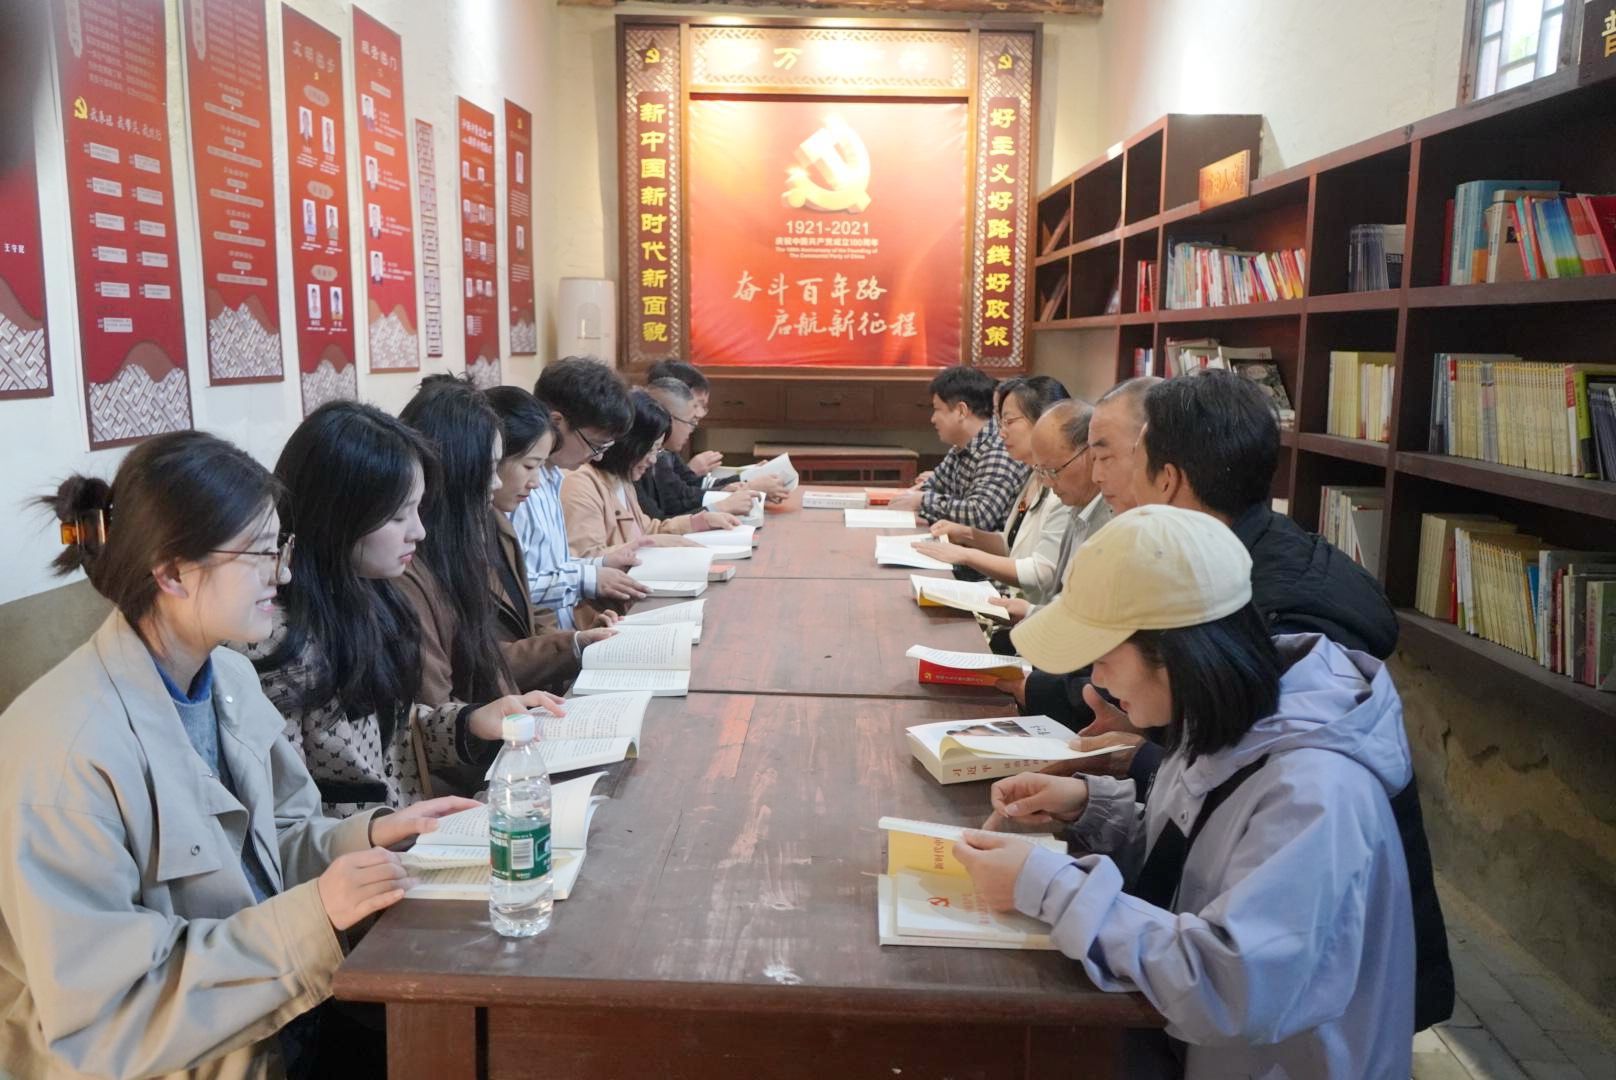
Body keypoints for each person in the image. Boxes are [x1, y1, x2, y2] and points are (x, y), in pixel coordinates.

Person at [0, 431, 476, 1079]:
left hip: (278, 1025)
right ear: (171, 571)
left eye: (281, 548)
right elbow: (110, 1018)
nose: (283, 574)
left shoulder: (229, 679)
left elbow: (274, 847)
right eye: (259, 553)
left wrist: (367, 837)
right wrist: (315, 915)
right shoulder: (65, 752)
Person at [954, 505, 1416, 1079]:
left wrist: (1049, 888)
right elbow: (1192, 858)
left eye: (1104, 657)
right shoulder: (1222, 721)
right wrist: (1092, 807)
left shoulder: (1317, 790)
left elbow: (1233, 986)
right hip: (1183, 1045)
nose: (1097, 681)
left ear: (1175, 653)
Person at [250, 401, 563, 817]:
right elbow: (289, 822)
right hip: (368, 852)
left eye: (418, 509)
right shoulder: (276, 645)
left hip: (406, 836)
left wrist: (470, 723)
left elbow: (398, 738)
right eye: (399, 516)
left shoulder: (375, 597)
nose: (419, 531)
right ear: (338, 515)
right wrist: (384, 831)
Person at [398, 376, 591, 705]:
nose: (496, 482)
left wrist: (573, 643)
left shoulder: (488, 525)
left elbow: (506, 634)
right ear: (458, 468)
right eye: (490, 467)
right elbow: (439, 700)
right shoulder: (410, 560)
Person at [485, 385, 619, 684]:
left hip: (547, 659)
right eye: (529, 465)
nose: (534, 481)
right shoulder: (502, 511)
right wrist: (570, 644)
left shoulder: (546, 480)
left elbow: (533, 611)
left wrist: (575, 640)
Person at [510, 357, 653, 628]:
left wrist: (600, 563)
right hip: (537, 640)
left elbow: (552, 565)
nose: (597, 457)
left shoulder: (553, 475)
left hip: (562, 632)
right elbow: (512, 588)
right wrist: (589, 579)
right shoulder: (517, 489)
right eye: (595, 444)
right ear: (556, 422)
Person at [910, 375, 1073, 607]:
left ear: (1046, 421)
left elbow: (1042, 573)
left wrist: (966, 555)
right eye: (999, 421)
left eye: (1008, 421)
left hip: (1026, 610)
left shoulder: (1064, 487)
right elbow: (1011, 545)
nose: (1001, 432)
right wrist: (964, 533)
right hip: (1012, 600)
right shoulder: (1034, 476)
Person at [561, 388, 741, 557]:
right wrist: (650, 543)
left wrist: (699, 522)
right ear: (629, 444)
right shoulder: (580, 484)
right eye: (651, 449)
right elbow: (586, 558)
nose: (653, 460)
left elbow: (647, 530)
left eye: (658, 451)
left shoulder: (621, 480)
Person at [888, 365, 1028, 530]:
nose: (933, 419)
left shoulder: (998, 449)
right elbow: (932, 486)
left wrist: (922, 501)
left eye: (937, 409)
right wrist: (922, 499)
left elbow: (979, 516)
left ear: (961, 411)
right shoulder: (961, 446)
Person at [636, 377, 759, 519]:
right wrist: (721, 505)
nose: (693, 426)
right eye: (690, 421)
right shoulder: (639, 463)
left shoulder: (663, 453)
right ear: (668, 418)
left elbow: (683, 495)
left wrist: (727, 491)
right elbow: (661, 521)